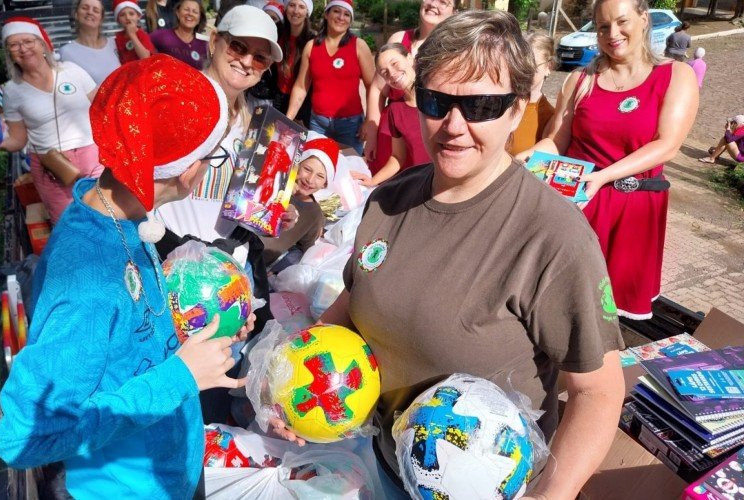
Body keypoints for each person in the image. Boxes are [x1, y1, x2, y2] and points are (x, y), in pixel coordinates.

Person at [273, 11, 628, 499]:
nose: (454, 126)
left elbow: (598, 393)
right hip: (378, 466)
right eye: (438, 101)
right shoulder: (388, 200)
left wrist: (552, 495)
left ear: (518, 108)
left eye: (482, 105)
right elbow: (348, 314)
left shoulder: (555, 238)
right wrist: (293, 387)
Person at [0, 55, 254, 498]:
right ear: (186, 165)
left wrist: (205, 325)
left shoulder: (119, 218)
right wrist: (180, 378)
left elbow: (127, 341)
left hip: (171, 468)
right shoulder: (89, 281)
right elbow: (23, 436)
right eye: (211, 156)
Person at [153, 5, 294, 423]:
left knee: (220, 375)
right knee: (175, 377)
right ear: (214, 41)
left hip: (231, 266)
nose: (247, 61)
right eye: (238, 46)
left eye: (260, 56)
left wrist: (273, 214)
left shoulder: (263, 125)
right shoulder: (175, 103)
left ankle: (213, 458)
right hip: (173, 263)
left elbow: (253, 206)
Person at [532, 0, 699, 320]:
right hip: (577, 205)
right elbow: (556, 141)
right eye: (603, 26)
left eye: (621, 22)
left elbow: (667, 144)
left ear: (643, 18)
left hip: (631, 212)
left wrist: (603, 176)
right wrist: (520, 160)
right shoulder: (580, 80)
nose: (612, 33)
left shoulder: (675, 76)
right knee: (561, 307)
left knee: (609, 318)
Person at [0, 17, 104, 225]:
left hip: (93, 157)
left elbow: (101, 107)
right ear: (9, 53)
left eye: (28, 41)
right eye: (14, 44)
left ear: (42, 44)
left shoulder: (71, 71)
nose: (23, 48)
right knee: (68, 225)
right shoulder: (12, 91)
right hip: (52, 168)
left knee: (106, 216)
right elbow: (18, 140)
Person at [362, 0, 454, 172]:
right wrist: (372, 133)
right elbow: (377, 88)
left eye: (443, 2)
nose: (434, 4)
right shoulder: (399, 39)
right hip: (392, 137)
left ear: (453, 12)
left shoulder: (453, 50)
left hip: (426, 141)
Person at [285, 0, 375, 154]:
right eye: (336, 12)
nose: (341, 17)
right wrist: (287, 120)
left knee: (349, 169)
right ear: (326, 14)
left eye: (347, 14)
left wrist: (369, 121)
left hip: (351, 125)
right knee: (316, 165)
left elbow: (372, 86)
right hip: (318, 123)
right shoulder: (311, 46)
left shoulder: (358, 45)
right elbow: (301, 87)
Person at [351, 43, 429, 187]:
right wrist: (373, 181)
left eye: (395, 63)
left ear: (410, 59)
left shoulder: (438, 96)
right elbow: (397, 157)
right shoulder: (395, 110)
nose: (392, 73)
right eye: (384, 72)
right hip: (418, 186)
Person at [261, 133, 338, 269]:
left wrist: (278, 270)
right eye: (307, 169)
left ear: (325, 184)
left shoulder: (314, 214)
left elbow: (305, 250)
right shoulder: (276, 183)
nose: (310, 179)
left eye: (320, 176)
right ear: (296, 165)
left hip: (261, 263)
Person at [509, 32, 556, 158]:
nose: (524, 73)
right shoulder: (501, 102)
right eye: (520, 65)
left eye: (532, 66)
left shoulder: (549, 117)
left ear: (548, 67)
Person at [273, 0, 316, 124]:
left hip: (302, 102)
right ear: (286, 8)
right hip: (278, 96)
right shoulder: (277, 32)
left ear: (307, 12)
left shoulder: (313, 40)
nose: (296, 11)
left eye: (301, 7)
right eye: (292, 5)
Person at [58, 0, 121, 85]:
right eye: (85, 8)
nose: (90, 12)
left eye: (96, 10)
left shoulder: (115, 44)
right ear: (76, 14)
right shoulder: (65, 53)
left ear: (101, 19)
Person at [150, 0, 209, 70]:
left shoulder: (204, 44)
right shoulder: (161, 36)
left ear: (199, 19)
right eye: (186, 9)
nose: (190, 14)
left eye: (195, 12)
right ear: (178, 13)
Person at [247, 1, 284, 109]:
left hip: (271, 100)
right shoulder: (252, 38)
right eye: (266, 16)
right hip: (251, 95)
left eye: (274, 18)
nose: (269, 21)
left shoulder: (284, 45)